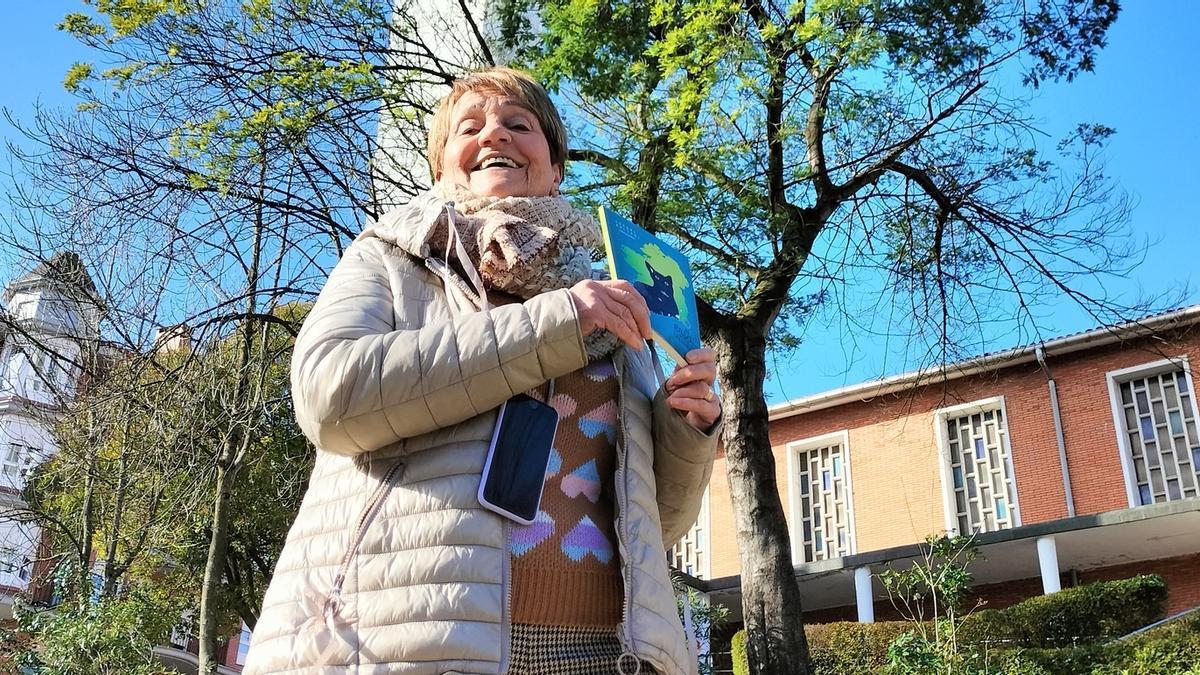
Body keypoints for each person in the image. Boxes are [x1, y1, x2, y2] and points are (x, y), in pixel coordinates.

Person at [243, 66, 720, 675]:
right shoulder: (392, 256)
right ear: (441, 166)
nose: (495, 135)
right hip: (402, 643)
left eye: (518, 125)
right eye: (470, 127)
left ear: (555, 167)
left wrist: (685, 432)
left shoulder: (618, 301)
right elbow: (329, 396)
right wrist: (557, 322)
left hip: (606, 652)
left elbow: (658, 528)